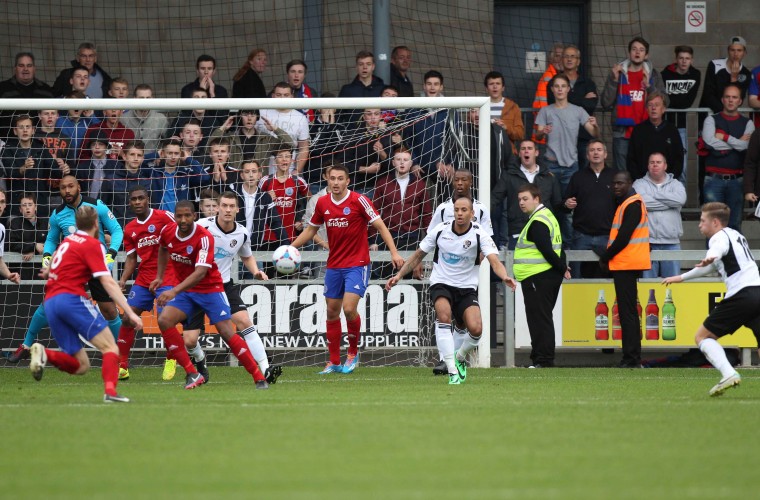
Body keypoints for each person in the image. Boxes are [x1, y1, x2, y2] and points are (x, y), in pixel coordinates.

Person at [386, 196, 517, 384]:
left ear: (472, 214)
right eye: (457, 210)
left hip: (466, 288)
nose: (460, 213)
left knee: (476, 329)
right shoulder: (441, 230)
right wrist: (398, 276)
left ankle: (460, 357)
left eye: (464, 210)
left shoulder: (480, 234)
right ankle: (452, 369)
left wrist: (504, 276)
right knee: (444, 317)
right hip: (442, 283)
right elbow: (418, 255)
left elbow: (495, 261)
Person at [291, 163, 404, 374]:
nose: (336, 182)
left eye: (340, 178)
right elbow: (310, 231)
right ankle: (333, 361)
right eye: (332, 178)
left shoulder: (359, 200)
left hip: (357, 264)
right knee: (332, 312)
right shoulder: (322, 202)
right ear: (327, 179)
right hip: (334, 265)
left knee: (349, 309)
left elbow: (380, 226)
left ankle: (352, 353)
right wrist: (291, 247)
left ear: (347, 181)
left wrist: (394, 252)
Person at [29, 205, 141, 403]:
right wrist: (130, 313)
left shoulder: (67, 241)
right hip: (70, 299)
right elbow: (106, 281)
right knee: (110, 348)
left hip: (51, 303)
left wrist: (49, 271)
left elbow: (56, 260)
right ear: (97, 223)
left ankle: (45, 354)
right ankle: (110, 393)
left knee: (81, 366)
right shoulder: (92, 244)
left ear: (76, 224)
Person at [153, 200, 270, 389]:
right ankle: (192, 373)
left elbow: (200, 272)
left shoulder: (204, 237)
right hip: (187, 291)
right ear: (174, 216)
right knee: (165, 320)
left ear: (194, 216)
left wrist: (173, 290)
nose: (183, 220)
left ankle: (259, 376)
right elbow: (163, 249)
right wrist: (159, 277)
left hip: (211, 289)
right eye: (179, 216)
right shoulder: (167, 232)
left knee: (226, 332)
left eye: (187, 216)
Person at [8, 175, 123, 362]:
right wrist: (46, 257)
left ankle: (120, 356)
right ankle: (26, 346)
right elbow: (51, 240)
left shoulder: (97, 205)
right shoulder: (57, 213)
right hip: (73, 268)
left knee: (109, 310)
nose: (67, 191)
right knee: (48, 304)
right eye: (63, 188)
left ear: (79, 187)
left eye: (71, 186)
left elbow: (117, 230)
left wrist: (111, 253)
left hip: (96, 265)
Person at [183, 192, 282, 385]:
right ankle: (201, 359)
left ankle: (265, 369)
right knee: (189, 340)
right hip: (196, 286)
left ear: (238, 209)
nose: (228, 210)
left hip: (223, 285)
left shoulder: (242, 233)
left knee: (244, 321)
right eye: (224, 206)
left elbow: (246, 256)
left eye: (231, 206)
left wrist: (255, 272)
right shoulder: (201, 226)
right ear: (218, 207)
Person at [662, 202, 757, 396]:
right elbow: (711, 266)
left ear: (714, 222)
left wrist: (710, 256)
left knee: (702, 337)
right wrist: (681, 277)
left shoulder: (718, 238)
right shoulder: (736, 235)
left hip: (742, 294)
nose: (699, 225)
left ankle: (728, 373)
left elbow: (717, 252)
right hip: (757, 291)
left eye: (702, 220)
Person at [116, 186, 178, 381]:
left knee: (164, 320)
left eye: (140, 198)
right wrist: (124, 279)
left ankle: (171, 359)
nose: (137, 202)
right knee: (127, 317)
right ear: (130, 203)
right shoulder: (130, 229)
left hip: (167, 275)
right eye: (133, 199)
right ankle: (122, 365)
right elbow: (132, 259)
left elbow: (182, 237)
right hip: (144, 279)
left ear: (148, 199)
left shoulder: (165, 217)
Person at [594, 171, 651, 368]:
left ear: (630, 183)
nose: (616, 186)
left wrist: (605, 256)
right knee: (628, 312)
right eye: (614, 183)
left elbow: (624, 238)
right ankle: (631, 357)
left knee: (628, 314)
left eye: (620, 183)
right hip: (626, 263)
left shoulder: (632, 204)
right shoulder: (628, 203)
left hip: (627, 264)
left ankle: (632, 358)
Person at [513, 184, 569, 368]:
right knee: (542, 318)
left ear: (536, 199)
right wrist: (562, 268)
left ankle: (543, 361)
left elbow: (546, 250)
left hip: (539, 277)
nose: (521, 202)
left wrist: (561, 268)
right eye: (519, 199)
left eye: (525, 198)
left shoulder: (537, 221)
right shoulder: (547, 216)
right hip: (544, 276)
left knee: (539, 319)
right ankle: (539, 358)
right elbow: (558, 247)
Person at [601, 37, 665, 170]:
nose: (637, 52)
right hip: (622, 132)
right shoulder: (618, 72)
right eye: (634, 49)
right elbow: (606, 103)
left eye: (641, 50)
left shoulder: (653, 75)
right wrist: (614, 81)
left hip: (646, 131)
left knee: (645, 173)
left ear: (646, 55)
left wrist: (649, 86)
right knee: (622, 174)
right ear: (629, 53)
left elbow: (664, 101)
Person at [371, 146, 432, 279]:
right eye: (398, 159)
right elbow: (374, 213)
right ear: (393, 162)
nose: (402, 163)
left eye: (405, 160)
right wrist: (373, 240)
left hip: (412, 236)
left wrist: (429, 239)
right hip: (388, 236)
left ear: (411, 163)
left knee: (409, 275)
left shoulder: (420, 184)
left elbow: (426, 214)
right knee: (385, 274)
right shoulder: (383, 183)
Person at [701, 83, 754, 231]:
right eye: (727, 97)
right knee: (712, 227)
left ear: (740, 101)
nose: (731, 100)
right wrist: (737, 142)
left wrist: (724, 137)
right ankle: (713, 256)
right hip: (713, 180)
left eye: (734, 97)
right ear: (722, 100)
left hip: (737, 181)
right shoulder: (711, 120)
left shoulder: (747, 123)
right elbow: (709, 142)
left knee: (734, 226)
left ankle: (732, 255)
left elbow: (746, 147)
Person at [492, 140, 562, 250]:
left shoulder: (549, 177)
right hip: (518, 233)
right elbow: (495, 198)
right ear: (519, 153)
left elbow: (557, 205)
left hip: (544, 232)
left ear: (536, 153)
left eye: (529, 148)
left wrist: (567, 207)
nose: (526, 151)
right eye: (523, 149)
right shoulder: (509, 175)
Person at [563, 140, 617, 278]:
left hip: (607, 235)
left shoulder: (615, 177)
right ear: (587, 156)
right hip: (581, 235)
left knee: (609, 275)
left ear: (605, 154)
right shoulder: (578, 176)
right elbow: (565, 203)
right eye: (592, 150)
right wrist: (567, 203)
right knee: (576, 276)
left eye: (599, 149)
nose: (596, 152)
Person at [633, 152, 686, 278]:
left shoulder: (676, 184)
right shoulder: (639, 184)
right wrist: (669, 202)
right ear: (648, 166)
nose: (655, 165)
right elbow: (643, 203)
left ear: (665, 166)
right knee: (648, 287)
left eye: (658, 162)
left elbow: (680, 200)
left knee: (672, 286)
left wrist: (654, 195)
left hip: (671, 242)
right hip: (647, 243)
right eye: (652, 162)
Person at [549, 45, 599, 168]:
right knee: (564, 176)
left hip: (583, 136)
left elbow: (591, 106)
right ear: (562, 60)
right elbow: (554, 103)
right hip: (561, 138)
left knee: (585, 174)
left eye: (573, 56)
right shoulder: (553, 82)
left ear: (578, 61)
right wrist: (582, 99)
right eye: (566, 56)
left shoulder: (588, 83)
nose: (569, 59)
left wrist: (568, 98)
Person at [661, 45, 701, 181]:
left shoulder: (696, 74)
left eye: (687, 58)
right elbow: (664, 100)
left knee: (682, 165)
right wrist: (672, 101)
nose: (684, 61)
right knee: (663, 161)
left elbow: (687, 102)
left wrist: (672, 101)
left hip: (682, 126)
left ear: (692, 60)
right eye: (681, 58)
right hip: (665, 124)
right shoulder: (665, 74)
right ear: (676, 59)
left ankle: (680, 200)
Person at [626, 91, 684, 181]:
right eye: (650, 105)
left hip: (668, 182)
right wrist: (639, 179)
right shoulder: (638, 130)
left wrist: (670, 179)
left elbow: (678, 158)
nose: (653, 108)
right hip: (643, 182)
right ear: (646, 109)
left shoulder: (672, 130)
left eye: (657, 105)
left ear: (663, 109)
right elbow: (631, 159)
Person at [231, 159, 287, 251]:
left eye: (254, 171)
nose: (251, 175)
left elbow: (276, 223)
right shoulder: (233, 194)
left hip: (255, 250)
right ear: (242, 175)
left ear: (259, 174)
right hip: (233, 249)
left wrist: (286, 244)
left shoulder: (265, 197)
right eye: (247, 172)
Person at [258, 146, 310, 242]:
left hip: (290, 235)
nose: (284, 159)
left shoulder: (298, 181)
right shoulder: (265, 181)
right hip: (268, 236)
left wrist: (303, 220)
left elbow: (312, 201)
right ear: (274, 161)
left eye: (287, 156)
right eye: (280, 156)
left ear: (292, 160)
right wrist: (266, 197)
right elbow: (254, 202)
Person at [143, 139, 209, 213]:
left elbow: (205, 177)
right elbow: (138, 162)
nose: (173, 157)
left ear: (180, 154)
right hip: (159, 218)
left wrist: (188, 159)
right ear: (163, 153)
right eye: (170, 153)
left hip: (181, 218)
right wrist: (156, 155)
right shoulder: (154, 172)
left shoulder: (185, 173)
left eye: (176, 153)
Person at [0, 52, 54, 138]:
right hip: (8, 142)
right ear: (15, 69)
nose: (25, 69)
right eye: (21, 65)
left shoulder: (46, 90)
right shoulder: (2, 89)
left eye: (29, 65)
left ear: (34, 69)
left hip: (39, 143)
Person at [340, 108, 393, 195]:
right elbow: (342, 163)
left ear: (380, 116)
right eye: (369, 114)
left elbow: (391, 166)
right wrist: (366, 169)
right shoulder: (352, 135)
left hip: (379, 189)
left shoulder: (386, 135)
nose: (373, 118)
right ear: (364, 117)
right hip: (356, 187)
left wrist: (382, 153)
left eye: (376, 114)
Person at [100, 140, 147, 226]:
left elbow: (151, 210)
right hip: (115, 230)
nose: (136, 158)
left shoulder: (146, 182)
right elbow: (102, 207)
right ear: (124, 156)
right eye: (132, 154)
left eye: (139, 155)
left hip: (139, 230)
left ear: (143, 158)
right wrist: (106, 232)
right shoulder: (111, 179)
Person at [530, 42, 564, 149]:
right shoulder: (549, 78)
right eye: (557, 56)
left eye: (563, 56)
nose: (560, 59)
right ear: (551, 59)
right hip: (546, 135)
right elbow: (542, 107)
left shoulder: (559, 77)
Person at [338, 50, 385, 123]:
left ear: (373, 66)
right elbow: (339, 116)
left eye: (368, 64)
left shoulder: (383, 89)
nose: (365, 67)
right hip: (352, 133)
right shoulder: (347, 90)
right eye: (361, 64)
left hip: (377, 133)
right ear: (356, 67)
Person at [8, 193, 47, 281]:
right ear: (20, 209)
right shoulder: (15, 223)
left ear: (36, 207)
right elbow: (11, 244)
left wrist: (34, 251)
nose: (27, 208)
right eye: (24, 205)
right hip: (21, 271)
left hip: (42, 271)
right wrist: (34, 246)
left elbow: (50, 244)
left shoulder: (45, 223)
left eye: (30, 204)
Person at [483, 71, 524, 154]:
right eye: (491, 84)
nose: (495, 87)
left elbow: (520, 134)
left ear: (503, 88)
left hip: (507, 153)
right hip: (485, 152)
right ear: (486, 88)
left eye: (498, 83)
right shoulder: (480, 106)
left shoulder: (513, 107)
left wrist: (506, 128)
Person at [120, 84, 169, 151]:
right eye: (141, 98)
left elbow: (167, 142)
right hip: (130, 160)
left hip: (153, 160)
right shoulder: (123, 119)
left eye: (148, 98)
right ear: (134, 99)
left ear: (152, 99)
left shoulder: (161, 118)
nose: (145, 101)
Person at [0, 189, 22, 286]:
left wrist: (9, 275)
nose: (0, 205)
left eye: (2, 202)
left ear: (5, 205)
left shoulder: (1, 229)